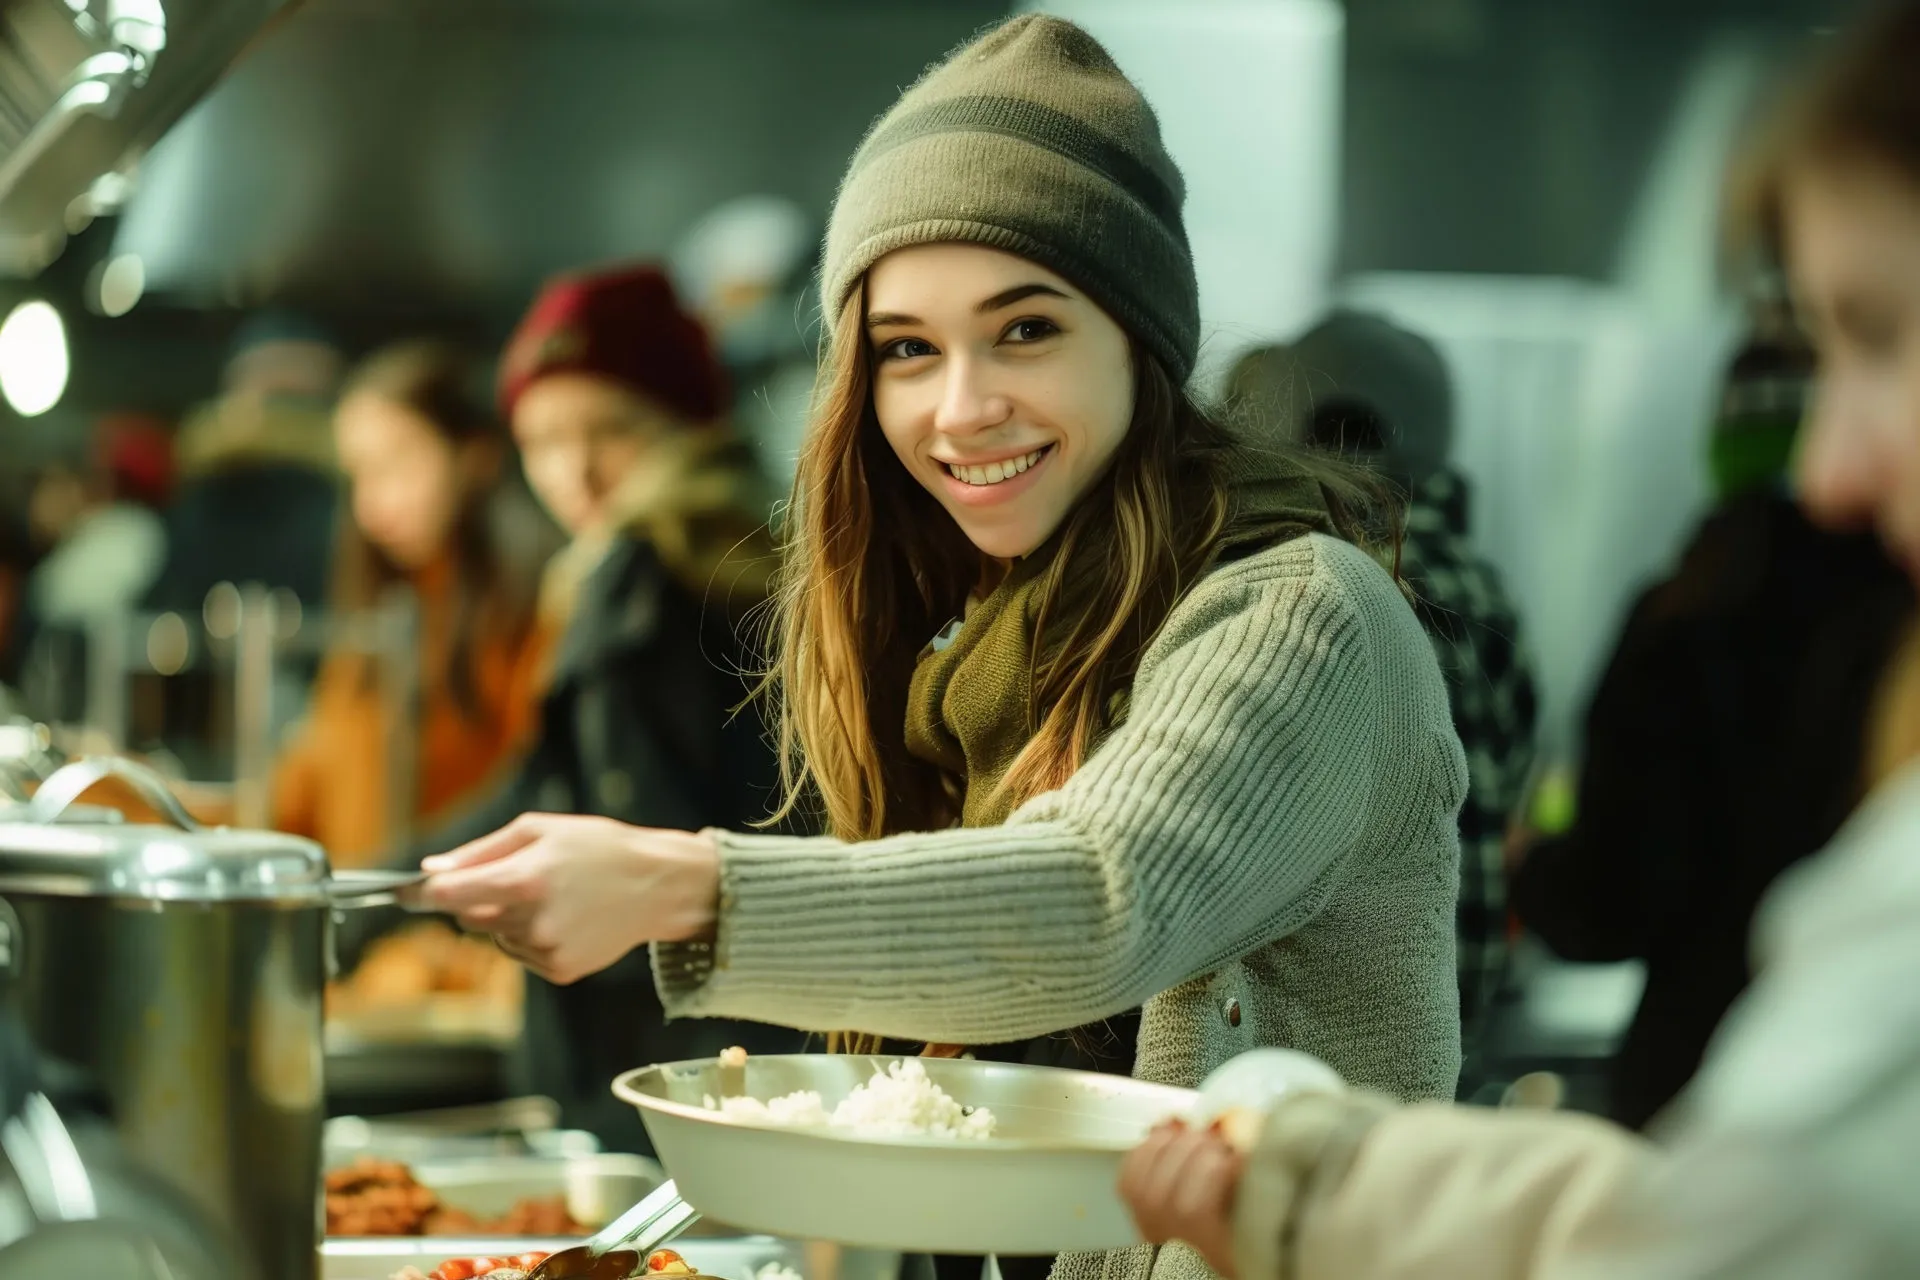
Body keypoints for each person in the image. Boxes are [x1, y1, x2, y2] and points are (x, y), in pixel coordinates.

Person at [419, 17, 1467, 1278]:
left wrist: (684, 885)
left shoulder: (1301, 615)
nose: (960, 406)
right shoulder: (972, 655)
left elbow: (1098, 896)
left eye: (1026, 328)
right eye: (908, 349)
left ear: (1140, 334)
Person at [1117, 6, 1920, 1276]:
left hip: (1674, 1051)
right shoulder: (1489, 596)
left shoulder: (1337, 605)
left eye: (1878, 333)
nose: (1834, 471)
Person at [411, 264, 802, 1153]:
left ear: (690, 426)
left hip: (665, 1073)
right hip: (751, 1063)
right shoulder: (755, 563)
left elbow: (621, 825)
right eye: (542, 439)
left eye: (613, 428)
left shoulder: (645, 577)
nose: (574, 470)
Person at [1508, 288, 1909, 1129]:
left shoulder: (1679, 618)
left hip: (1694, 1080)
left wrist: (1530, 862)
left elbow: (1607, 902)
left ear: (1724, 441)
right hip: (1869, 1088)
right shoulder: (1895, 628)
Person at [1231, 314, 1538, 1047]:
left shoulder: (1320, 582)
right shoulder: (1481, 586)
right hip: (1464, 1001)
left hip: (1347, 1025)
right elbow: (1517, 762)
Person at [271, 341, 557, 867]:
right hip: (368, 915)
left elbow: (538, 798)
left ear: (474, 456)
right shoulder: (376, 622)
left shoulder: (530, 613)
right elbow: (299, 796)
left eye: (397, 462)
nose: (371, 502)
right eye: (359, 473)